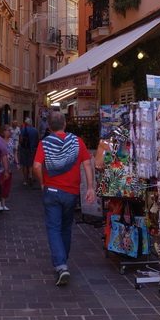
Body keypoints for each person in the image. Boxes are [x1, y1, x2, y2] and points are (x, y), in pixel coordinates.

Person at [32, 111, 95, 286]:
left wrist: (43, 183)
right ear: (65, 124)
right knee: (66, 228)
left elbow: (37, 166)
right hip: (72, 192)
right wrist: (90, 188)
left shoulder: (44, 143)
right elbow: (87, 164)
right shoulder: (77, 141)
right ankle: (63, 261)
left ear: (49, 127)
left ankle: (61, 265)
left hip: (51, 190)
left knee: (53, 228)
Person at [18, 117, 40, 187]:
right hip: (32, 149)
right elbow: (37, 140)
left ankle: (25, 180)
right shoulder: (35, 130)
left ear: (26, 123)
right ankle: (31, 176)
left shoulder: (24, 129)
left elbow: (21, 139)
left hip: (25, 148)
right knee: (31, 164)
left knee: (24, 165)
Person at [0, 124, 14, 212]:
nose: (10, 131)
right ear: (4, 131)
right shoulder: (0, 141)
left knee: (7, 185)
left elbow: (14, 151)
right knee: (1, 185)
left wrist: (17, 162)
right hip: (1, 167)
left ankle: (4, 203)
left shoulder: (11, 140)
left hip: (10, 167)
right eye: (8, 130)